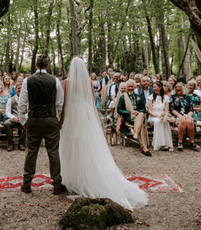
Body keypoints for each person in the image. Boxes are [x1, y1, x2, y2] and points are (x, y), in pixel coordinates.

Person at [59, 57, 148, 210]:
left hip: (73, 116)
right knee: (87, 147)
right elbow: (92, 101)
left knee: (72, 148)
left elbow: (66, 103)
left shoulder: (68, 82)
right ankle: (82, 177)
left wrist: (62, 120)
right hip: (85, 116)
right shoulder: (87, 82)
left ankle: (74, 180)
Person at [18, 55, 65, 195]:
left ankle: (26, 184)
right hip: (50, 119)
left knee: (31, 151)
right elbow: (60, 104)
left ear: (35, 64)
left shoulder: (27, 81)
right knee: (53, 151)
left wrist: (23, 121)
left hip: (33, 119)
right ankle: (56, 184)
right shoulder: (55, 81)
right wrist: (60, 121)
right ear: (48, 66)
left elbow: (22, 104)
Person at [117, 79, 151, 157]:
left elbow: (143, 109)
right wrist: (130, 112)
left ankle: (136, 135)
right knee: (141, 125)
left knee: (141, 114)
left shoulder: (138, 97)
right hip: (128, 118)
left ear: (135, 87)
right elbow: (119, 110)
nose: (130, 88)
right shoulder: (123, 97)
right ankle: (144, 147)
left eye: (132, 86)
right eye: (128, 86)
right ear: (126, 87)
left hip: (138, 116)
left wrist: (137, 112)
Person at [170, 82, 200, 151]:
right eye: (176, 87)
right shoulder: (173, 97)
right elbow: (172, 110)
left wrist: (189, 116)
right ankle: (180, 142)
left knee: (190, 121)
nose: (178, 88)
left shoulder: (188, 97)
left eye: (179, 87)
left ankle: (192, 142)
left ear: (183, 88)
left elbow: (191, 109)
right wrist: (180, 116)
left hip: (187, 115)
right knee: (182, 121)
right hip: (177, 116)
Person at [148, 82, 173, 151]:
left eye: (155, 87)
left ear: (160, 87)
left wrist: (165, 116)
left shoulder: (166, 97)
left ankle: (167, 144)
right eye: (153, 87)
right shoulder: (150, 97)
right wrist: (155, 115)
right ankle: (159, 144)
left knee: (165, 122)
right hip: (153, 116)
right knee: (158, 121)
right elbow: (149, 110)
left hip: (162, 115)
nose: (154, 88)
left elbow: (166, 110)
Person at [4, 83, 26, 151]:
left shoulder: (26, 99)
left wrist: (24, 117)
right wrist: (14, 117)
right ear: (15, 89)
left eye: (21, 88)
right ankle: (11, 143)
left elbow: (28, 111)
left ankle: (21, 143)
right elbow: (7, 112)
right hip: (14, 118)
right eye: (18, 88)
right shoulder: (11, 99)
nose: (20, 89)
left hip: (23, 118)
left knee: (28, 123)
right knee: (6, 124)